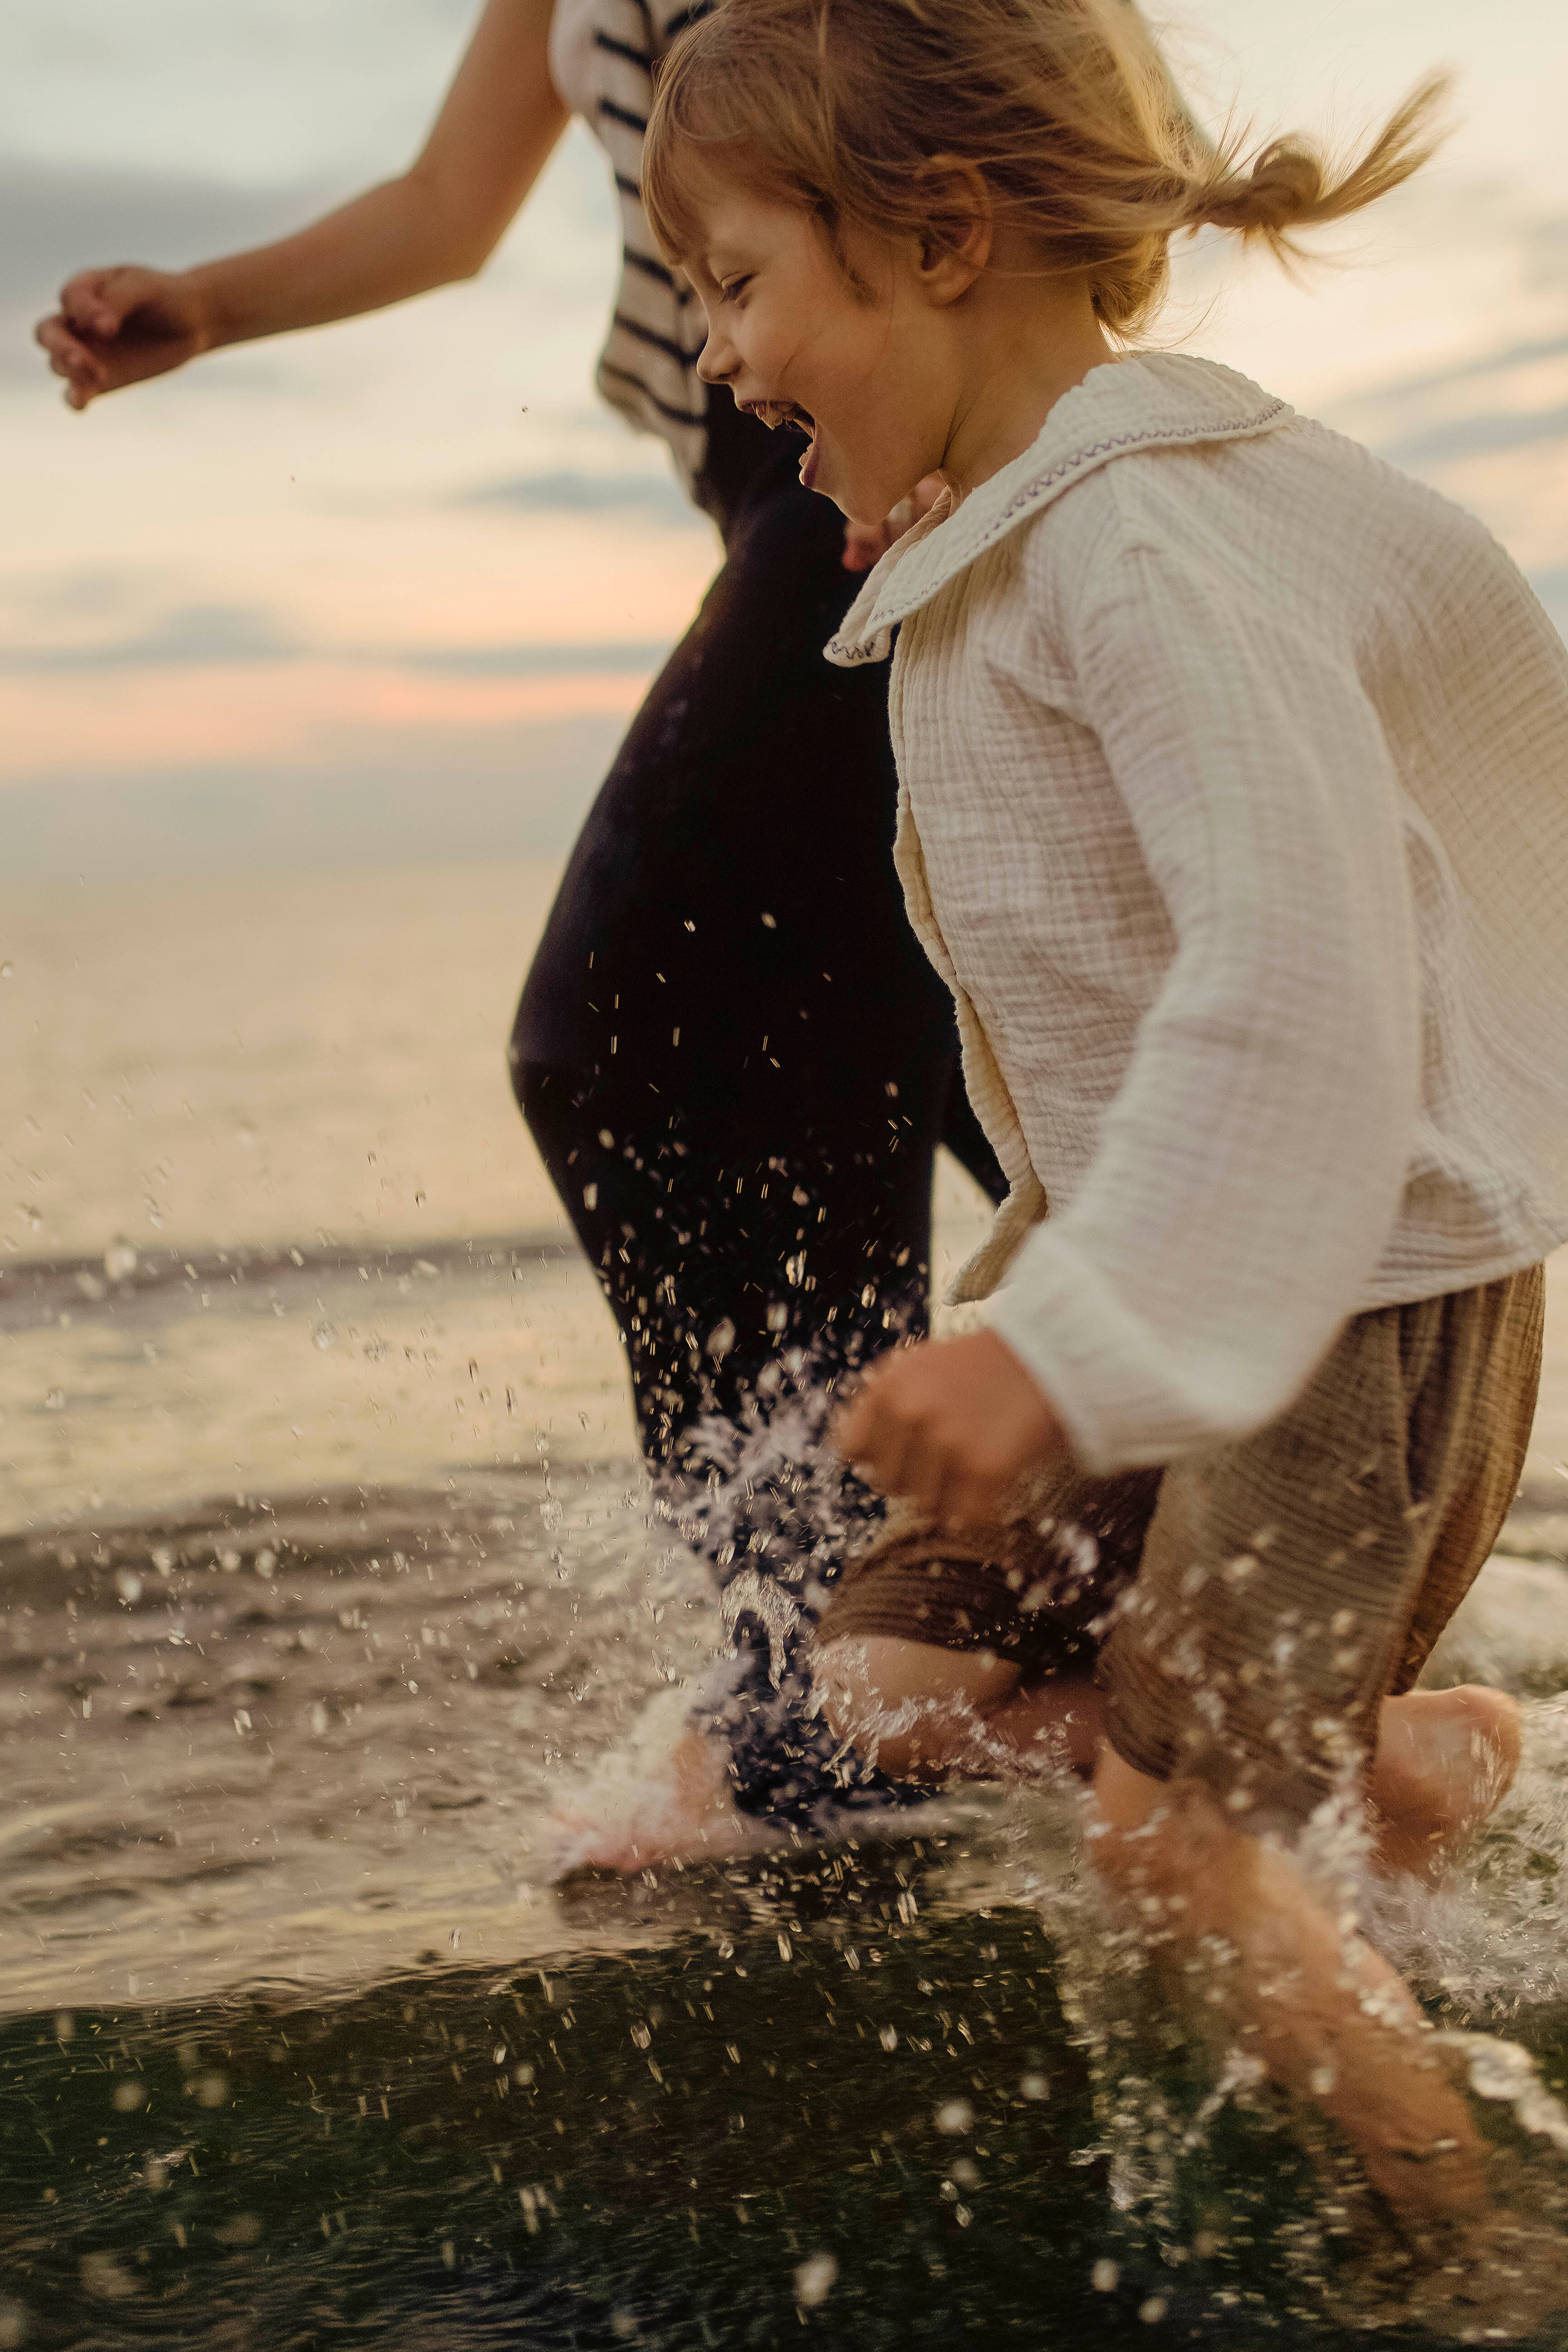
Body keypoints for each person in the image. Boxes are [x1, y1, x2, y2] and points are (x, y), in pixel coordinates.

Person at [641, 0, 1568, 2315]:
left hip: (1347, 1291)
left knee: (1177, 1867)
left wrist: (1056, 1351)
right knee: (866, 1705)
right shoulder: (1028, 526)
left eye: (739, 281)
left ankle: (1483, 2263)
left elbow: (1299, 962)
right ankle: (1398, 1761)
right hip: (1156, 1253)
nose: (719, 353)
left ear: (941, 238)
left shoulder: (1147, 542)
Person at [34, 0, 1010, 1869]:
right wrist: (211, 305)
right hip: (783, 474)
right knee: (925, 1041)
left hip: (901, 456)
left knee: (630, 1044)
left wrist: (987, 419)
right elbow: (446, 203)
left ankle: (834, 1692)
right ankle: (1035, 1624)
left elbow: (1027, 92)